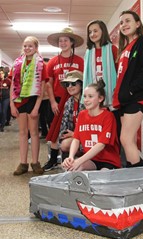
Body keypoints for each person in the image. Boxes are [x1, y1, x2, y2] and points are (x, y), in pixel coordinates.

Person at [112, 10, 143, 168]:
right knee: (128, 140)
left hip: (136, 97)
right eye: (122, 22)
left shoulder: (142, 43)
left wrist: (131, 90)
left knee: (126, 139)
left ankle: (138, 176)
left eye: (128, 21)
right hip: (125, 99)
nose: (124, 25)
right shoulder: (125, 48)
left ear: (137, 24)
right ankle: (132, 175)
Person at [43, 28, 84, 171]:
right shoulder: (53, 61)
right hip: (58, 99)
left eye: (66, 40)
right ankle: (53, 159)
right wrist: (53, 101)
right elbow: (49, 83)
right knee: (55, 130)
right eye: (60, 41)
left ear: (72, 42)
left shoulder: (80, 61)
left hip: (75, 98)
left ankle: (73, 157)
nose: (63, 43)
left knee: (72, 127)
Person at [61, 80, 121, 171]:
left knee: (101, 178)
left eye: (90, 97)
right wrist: (71, 158)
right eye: (84, 96)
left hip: (108, 161)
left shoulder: (108, 116)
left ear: (100, 98)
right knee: (73, 169)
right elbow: (76, 139)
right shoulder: (82, 115)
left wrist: (79, 160)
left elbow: (101, 145)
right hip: (91, 159)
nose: (86, 100)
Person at [10, 36, 48, 175]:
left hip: (33, 100)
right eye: (25, 46)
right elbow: (13, 85)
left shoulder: (41, 64)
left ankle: (35, 162)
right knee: (22, 133)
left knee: (34, 133)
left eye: (30, 46)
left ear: (36, 48)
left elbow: (42, 87)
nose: (27, 48)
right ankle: (23, 163)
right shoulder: (17, 63)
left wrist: (37, 106)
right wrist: (12, 105)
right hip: (19, 101)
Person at [83, 19, 121, 144]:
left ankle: (116, 158)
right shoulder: (88, 53)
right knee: (97, 131)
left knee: (114, 130)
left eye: (95, 31)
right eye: (90, 32)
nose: (92, 34)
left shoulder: (112, 49)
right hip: (95, 96)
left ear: (103, 31)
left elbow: (118, 73)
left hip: (111, 97)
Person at [59, 70, 85, 161]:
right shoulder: (69, 103)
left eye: (73, 83)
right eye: (67, 84)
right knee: (64, 144)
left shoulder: (88, 101)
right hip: (76, 139)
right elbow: (63, 129)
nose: (70, 87)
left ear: (81, 84)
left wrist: (74, 135)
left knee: (66, 144)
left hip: (89, 138)